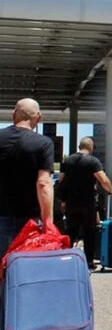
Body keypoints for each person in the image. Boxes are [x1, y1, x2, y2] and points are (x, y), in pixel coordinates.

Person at [0, 98, 54, 255]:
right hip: (28, 221)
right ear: (39, 117)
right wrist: (47, 222)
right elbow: (43, 183)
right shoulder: (44, 144)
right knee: (23, 270)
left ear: (13, 114)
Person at [58, 137, 112, 269]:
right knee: (89, 231)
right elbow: (103, 179)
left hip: (71, 202)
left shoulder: (68, 160)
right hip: (88, 202)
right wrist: (111, 190)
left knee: (71, 231)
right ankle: (89, 261)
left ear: (79, 146)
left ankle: (64, 258)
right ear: (91, 147)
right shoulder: (93, 161)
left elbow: (61, 180)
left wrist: (63, 200)